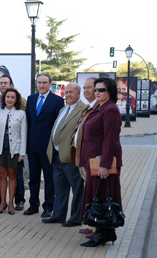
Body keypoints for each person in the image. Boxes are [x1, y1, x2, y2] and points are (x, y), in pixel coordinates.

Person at [79, 77, 123, 247]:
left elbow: (109, 140)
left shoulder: (110, 110)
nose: (97, 92)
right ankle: (107, 232)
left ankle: (101, 234)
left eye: (101, 90)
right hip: (93, 161)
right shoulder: (99, 107)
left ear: (110, 91)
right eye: (96, 89)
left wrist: (104, 165)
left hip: (102, 163)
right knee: (98, 195)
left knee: (102, 197)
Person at [43, 82, 86, 226]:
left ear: (78, 93)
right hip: (57, 156)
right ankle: (58, 215)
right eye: (66, 92)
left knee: (77, 188)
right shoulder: (63, 109)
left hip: (71, 156)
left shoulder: (83, 109)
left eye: (71, 92)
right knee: (60, 189)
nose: (67, 95)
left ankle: (76, 217)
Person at [24, 73, 65, 218]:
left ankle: (48, 206)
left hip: (48, 147)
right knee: (33, 178)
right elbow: (28, 123)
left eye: (44, 83)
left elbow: (58, 125)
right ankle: (33, 205)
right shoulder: (31, 99)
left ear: (50, 84)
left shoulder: (57, 101)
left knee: (49, 178)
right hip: (33, 146)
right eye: (39, 82)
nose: (41, 85)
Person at [0, 75, 27, 211]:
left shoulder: (21, 113)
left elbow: (24, 135)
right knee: (1, 176)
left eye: (12, 97)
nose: (10, 99)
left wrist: (22, 153)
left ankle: (12, 203)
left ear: (16, 100)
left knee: (13, 176)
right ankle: (2, 203)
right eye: (7, 97)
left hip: (14, 149)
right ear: (3, 99)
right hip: (0, 148)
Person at [71, 77, 98, 239]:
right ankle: (91, 224)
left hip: (93, 160)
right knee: (89, 191)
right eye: (85, 87)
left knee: (95, 192)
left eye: (91, 87)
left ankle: (97, 226)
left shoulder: (100, 108)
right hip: (83, 158)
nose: (87, 90)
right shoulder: (90, 107)